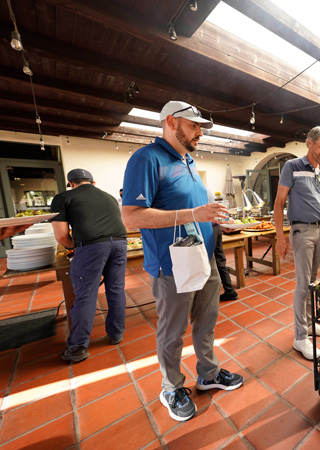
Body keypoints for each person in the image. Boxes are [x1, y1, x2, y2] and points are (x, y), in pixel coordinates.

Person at [121, 101, 243, 422]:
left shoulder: (188, 159)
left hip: (203, 258)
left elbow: (194, 208)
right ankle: (171, 386)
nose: (200, 133)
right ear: (172, 122)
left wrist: (215, 221)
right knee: (172, 331)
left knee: (206, 321)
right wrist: (193, 214)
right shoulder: (146, 159)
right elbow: (131, 217)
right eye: (194, 126)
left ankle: (207, 373)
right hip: (171, 264)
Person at [274, 126, 320, 360]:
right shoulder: (293, 167)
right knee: (302, 284)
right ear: (309, 143)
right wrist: (280, 236)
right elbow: (279, 203)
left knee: (313, 283)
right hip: (302, 231)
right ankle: (300, 338)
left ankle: (308, 324)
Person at [50, 168, 128, 363]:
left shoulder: (63, 198)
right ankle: (116, 334)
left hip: (92, 246)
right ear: (93, 183)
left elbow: (61, 236)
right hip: (120, 243)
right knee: (116, 289)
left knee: (86, 295)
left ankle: (77, 348)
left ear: (71, 184)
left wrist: (77, 247)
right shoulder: (109, 197)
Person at [213, 222, 239, 301]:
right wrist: (221, 225)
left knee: (207, 259)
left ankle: (205, 296)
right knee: (219, 260)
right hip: (215, 227)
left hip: (208, 227)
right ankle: (229, 290)